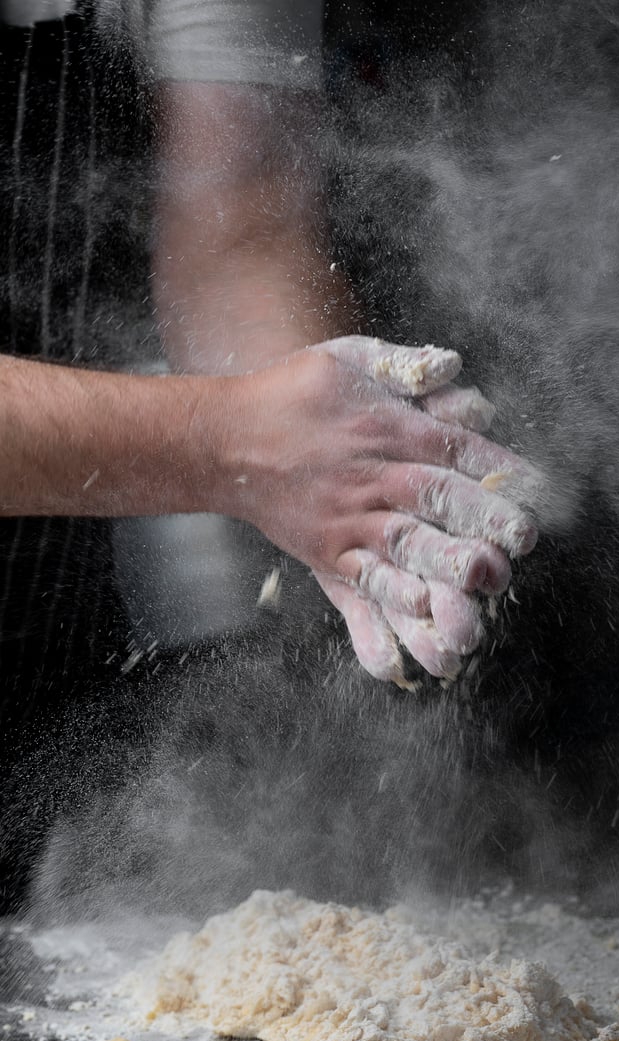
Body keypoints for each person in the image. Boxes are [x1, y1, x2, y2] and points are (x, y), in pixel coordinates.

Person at [0, 0, 544, 689]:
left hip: (58, 623)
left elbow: (241, 238)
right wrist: (234, 443)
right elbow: (236, 445)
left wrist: (341, 442)